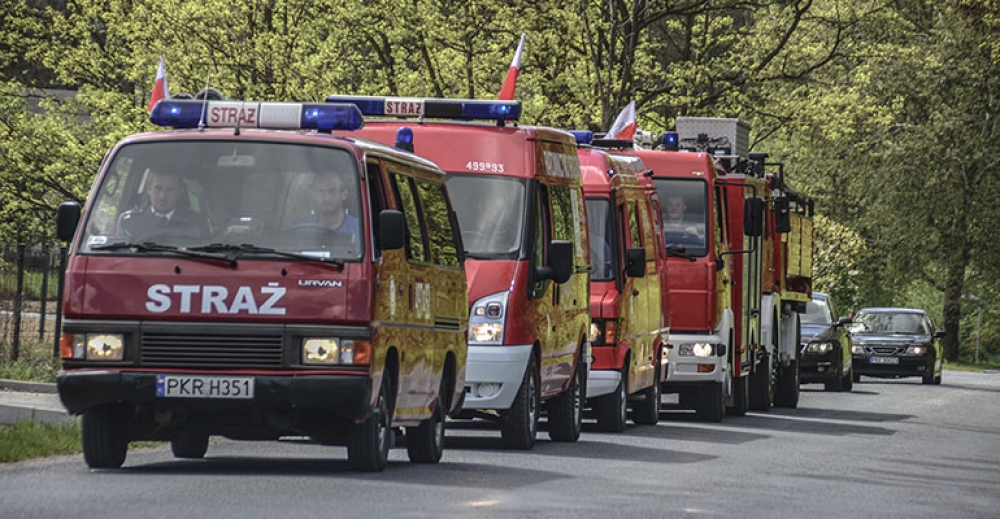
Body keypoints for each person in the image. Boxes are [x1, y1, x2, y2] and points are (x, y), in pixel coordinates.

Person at [118, 168, 209, 241]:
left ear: (179, 192)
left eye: (170, 190)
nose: (162, 196)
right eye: (158, 188)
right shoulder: (130, 222)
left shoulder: (196, 223)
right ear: (148, 189)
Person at [294, 170, 359, 241]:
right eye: (320, 191)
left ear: (344, 194)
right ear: (313, 195)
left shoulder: (360, 231)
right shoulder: (300, 230)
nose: (326, 198)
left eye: (332, 191)